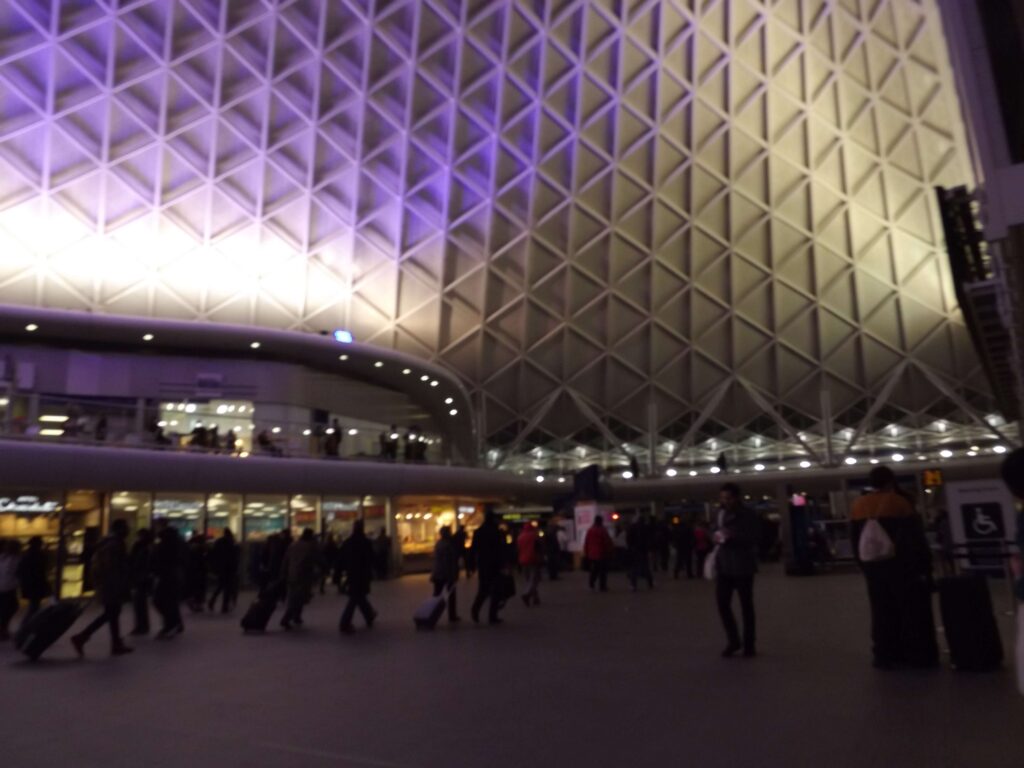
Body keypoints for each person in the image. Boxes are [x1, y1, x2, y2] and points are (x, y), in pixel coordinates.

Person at [850, 466, 937, 669]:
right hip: (903, 566)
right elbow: (915, 539)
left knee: (881, 610)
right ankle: (916, 654)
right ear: (890, 481)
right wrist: (925, 566)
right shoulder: (900, 503)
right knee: (910, 610)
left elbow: (856, 540)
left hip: (873, 568)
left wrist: (863, 565)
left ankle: (885, 653)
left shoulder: (859, 505)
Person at [71, 519, 133, 657]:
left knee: (112, 614)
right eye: (126, 528)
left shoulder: (109, 543)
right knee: (112, 613)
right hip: (112, 584)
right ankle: (83, 637)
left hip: (108, 584)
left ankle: (113, 642)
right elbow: (113, 567)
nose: (128, 531)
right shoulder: (114, 545)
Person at [714, 484, 759, 658]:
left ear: (737, 497)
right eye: (723, 498)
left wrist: (733, 536)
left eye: (728, 498)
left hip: (743, 565)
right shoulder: (719, 514)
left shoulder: (747, 515)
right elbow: (714, 531)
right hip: (724, 565)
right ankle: (733, 640)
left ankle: (749, 643)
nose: (725, 501)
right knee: (722, 603)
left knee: (746, 605)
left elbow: (754, 537)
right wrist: (717, 536)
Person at [338, 520, 377, 633]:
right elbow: (371, 557)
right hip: (363, 574)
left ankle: (369, 615)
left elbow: (341, 558)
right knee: (356, 597)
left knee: (358, 596)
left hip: (352, 574)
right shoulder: (366, 542)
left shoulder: (348, 542)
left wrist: (340, 573)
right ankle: (345, 623)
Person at [470, 509, 506, 624]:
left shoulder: (479, 532)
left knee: (483, 589)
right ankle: (492, 615)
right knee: (496, 591)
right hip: (495, 564)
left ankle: (475, 610)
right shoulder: (496, 532)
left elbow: (474, 549)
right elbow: (501, 549)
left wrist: (472, 564)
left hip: (483, 564)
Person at [280, 528, 319, 630]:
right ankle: (286, 619)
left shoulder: (293, 545)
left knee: (295, 597)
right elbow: (314, 560)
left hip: (291, 575)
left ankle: (297, 616)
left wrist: (283, 573)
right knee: (298, 598)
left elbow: (285, 560)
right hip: (303, 576)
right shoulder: (309, 547)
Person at [152, 523, 186, 639]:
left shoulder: (166, 547)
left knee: (162, 601)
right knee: (170, 602)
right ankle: (174, 623)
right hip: (172, 576)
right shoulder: (177, 545)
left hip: (167, 576)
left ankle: (171, 624)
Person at [430, 526, 461, 623]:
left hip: (438, 573)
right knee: (451, 595)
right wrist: (453, 574)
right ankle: (452, 615)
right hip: (446, 573)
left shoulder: (439, 543)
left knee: (437, 595)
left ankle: (431, 613)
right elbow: (449, 561)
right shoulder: (448, 545)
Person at [16, 536, 49, 625]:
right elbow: (41, 572)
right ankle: (25, 627)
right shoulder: (39, 555)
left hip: (28, 584)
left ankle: (26, 626)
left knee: (34, 606)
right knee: (34, 607)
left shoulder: (25, 554)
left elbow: (19, 571)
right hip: (36, 584)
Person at [207, 529, 240, 613]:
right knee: (227, 588)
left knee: (220, 586)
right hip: (229, 568)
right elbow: (234, 557)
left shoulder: (219, 542)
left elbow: (214, 554)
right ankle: (224, 606)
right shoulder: (231, 542)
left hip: (221, 568)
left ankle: (212, 601)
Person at [128, 528, 153, 635]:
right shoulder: (149, 547)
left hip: (139, 578)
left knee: (139, 603)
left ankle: (141, 626)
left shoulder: (139, 547)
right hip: (144, 578)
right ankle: (143, 625)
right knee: (141, 603)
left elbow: (134, 561)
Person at [584, 515, 614, 592]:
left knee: (594, 570)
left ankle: (591, 584)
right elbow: (607, 542)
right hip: (601, 553)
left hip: (592, 554)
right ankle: (602, 586)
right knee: (602, 571)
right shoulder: (602, 530)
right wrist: (610, 551)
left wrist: (586, 552)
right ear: (601, 521)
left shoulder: (590, 530)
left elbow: (586, 542)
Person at [517, 522, 542, 607]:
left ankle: (536, 598)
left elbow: (518, 549)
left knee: (528, 579)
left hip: (523, 560)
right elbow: (539, 547)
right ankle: (526, 594)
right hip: (533, 559)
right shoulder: (534, 536)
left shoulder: (520, 537)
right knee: (534, 579)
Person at [627, 514, 654, 591]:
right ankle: (650, 583)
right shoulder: (646, 528)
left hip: (634, 550)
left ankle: (633, 585)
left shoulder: (632, 527)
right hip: (643, 550)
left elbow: (629, 539)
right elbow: (649, 540)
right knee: (646, 567)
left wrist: (631, 547)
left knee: (634, 568)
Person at [184, 532, 208, 612]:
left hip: (192, 571)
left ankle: (193, 601)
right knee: (199, 588)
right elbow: (202, 561)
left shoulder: (190, 548)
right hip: (199, 571)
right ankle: (197, 604)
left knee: (194, 587)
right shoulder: (200, 549)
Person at [0, 540, 19, 640]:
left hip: (4, 586)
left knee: (6, 609)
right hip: (8, 587)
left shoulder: (3, 557)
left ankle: (3, 629)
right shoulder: (14, 559)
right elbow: (13, 572)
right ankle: (3, 629)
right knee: (10, 608)